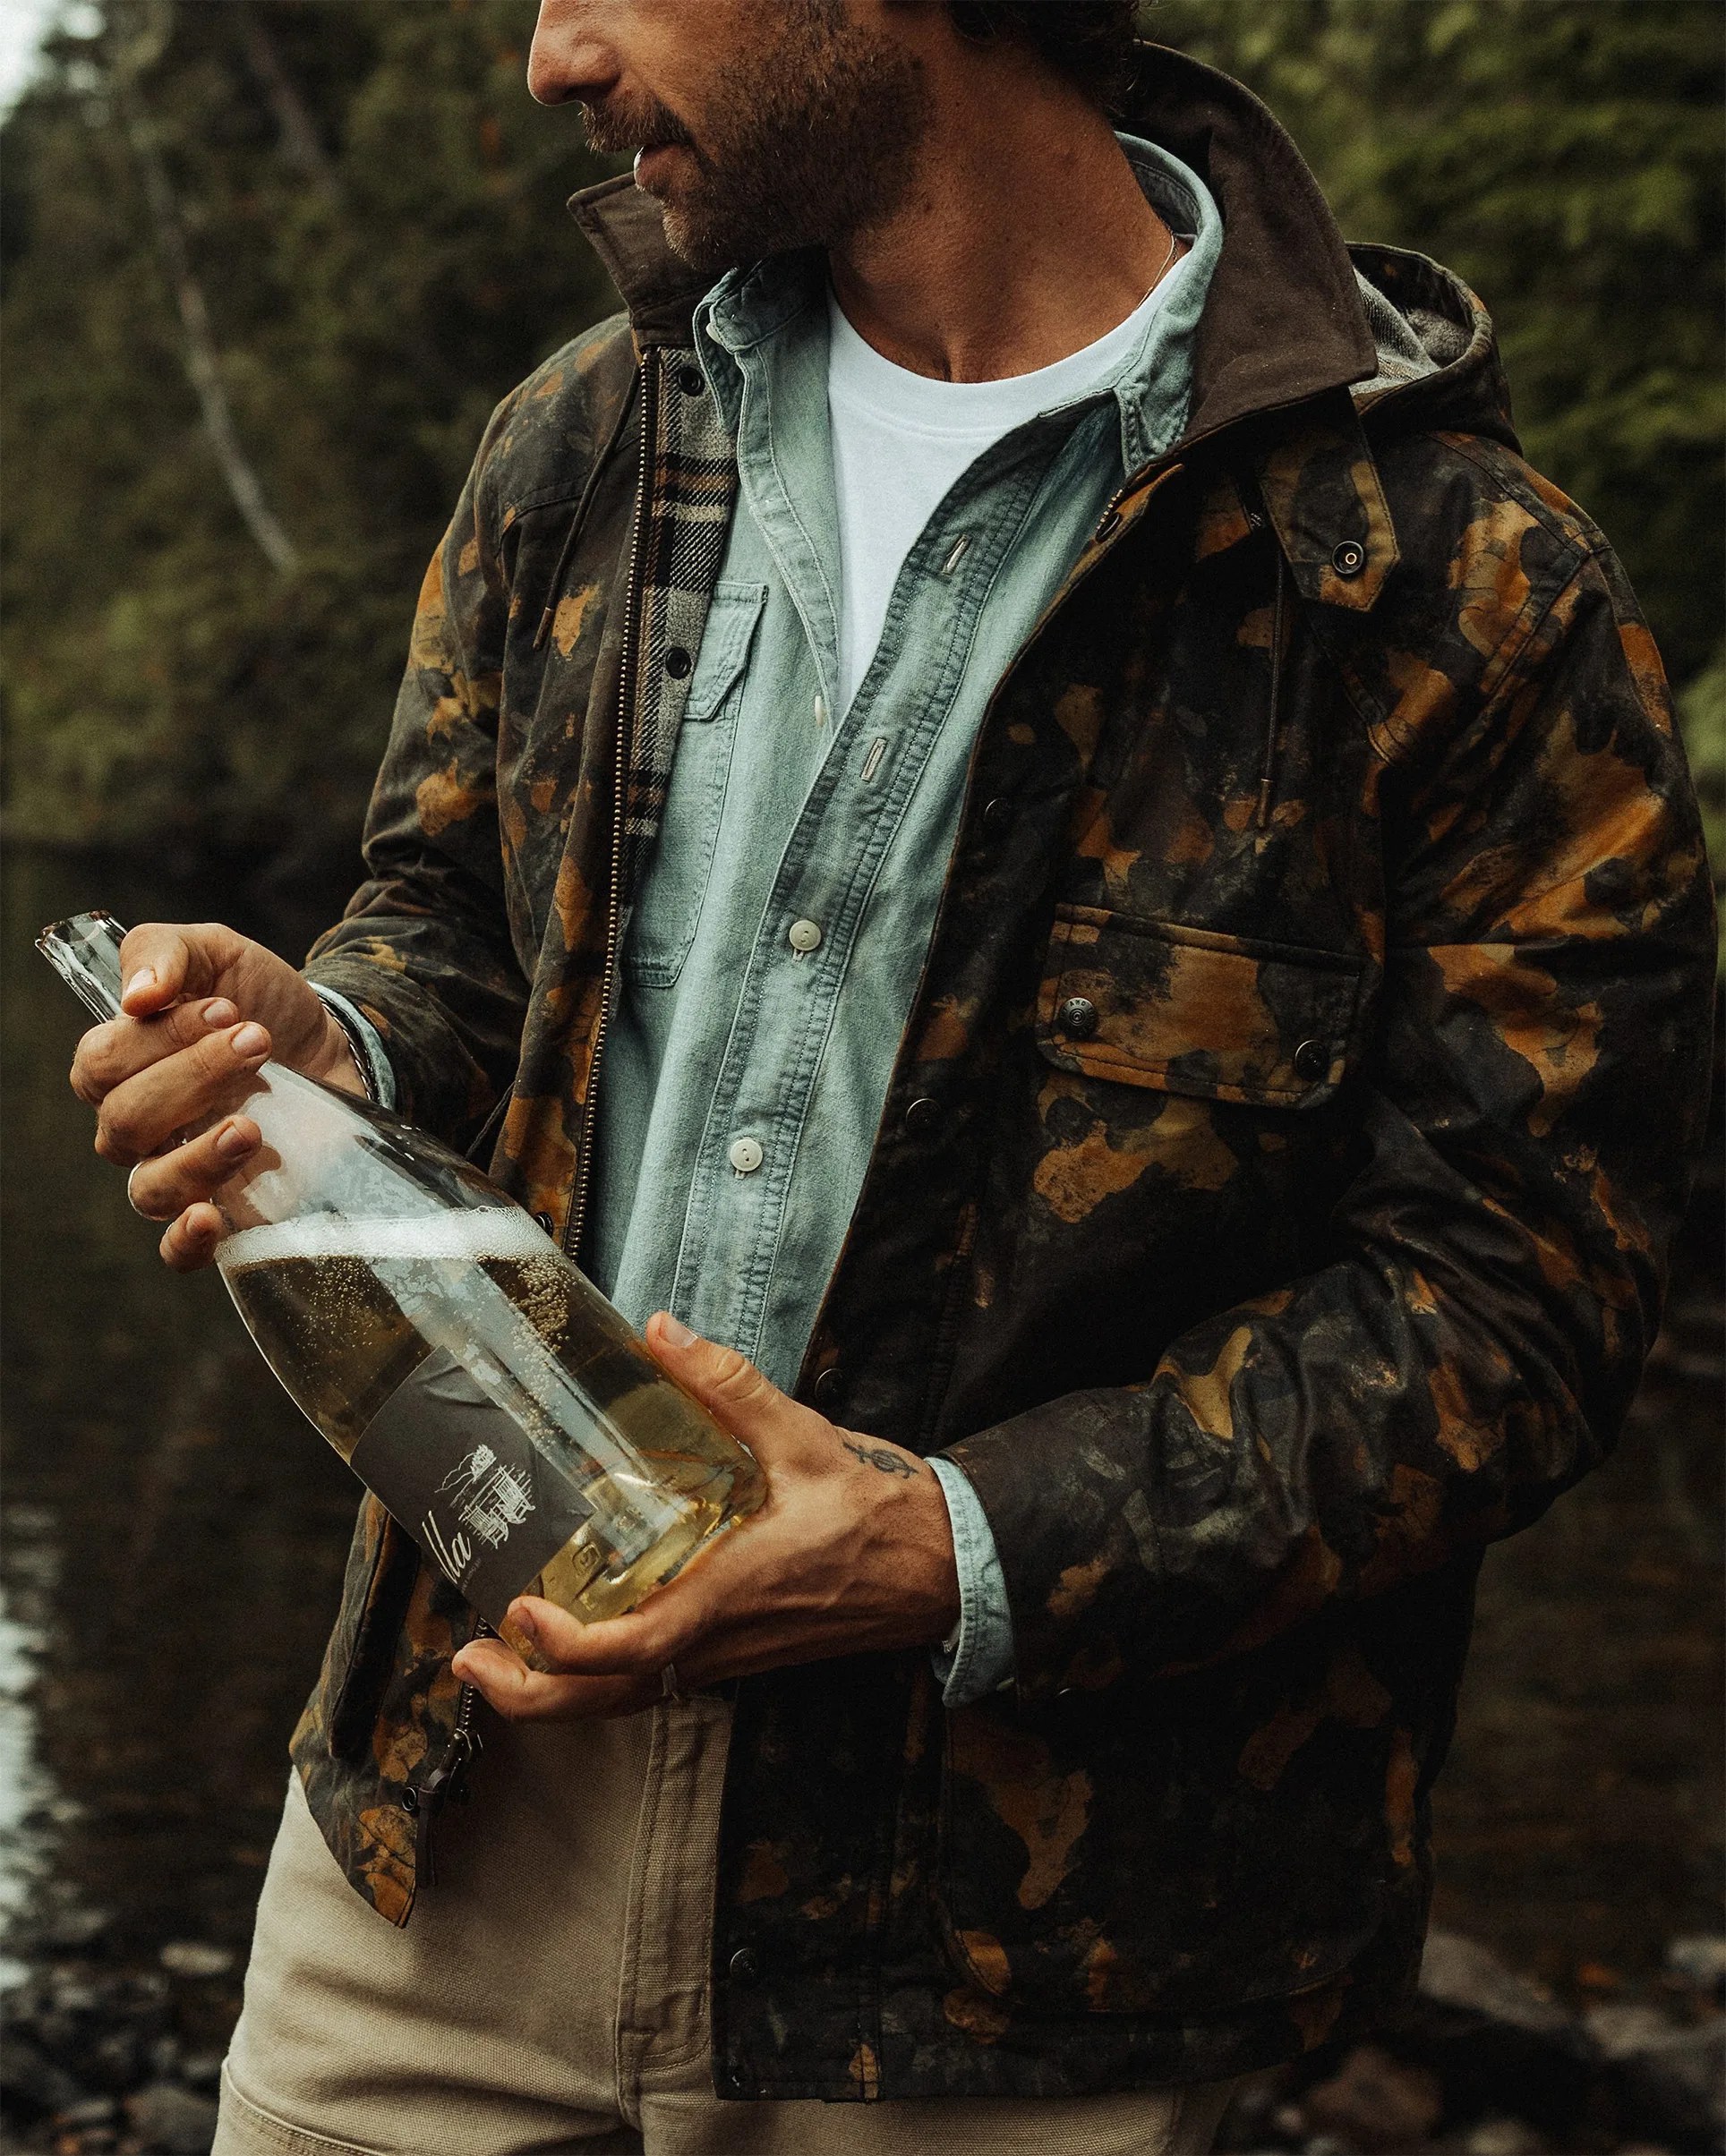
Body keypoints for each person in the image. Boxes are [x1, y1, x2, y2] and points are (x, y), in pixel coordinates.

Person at [67, 4, 1716, 2152]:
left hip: (1013, 1975)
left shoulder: (1463, 594)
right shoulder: (581, 443)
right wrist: (339, 1039)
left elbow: (1520, 1308)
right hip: (446, 1829)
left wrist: (944, 1546)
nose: (555, 56)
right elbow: (456, 912)